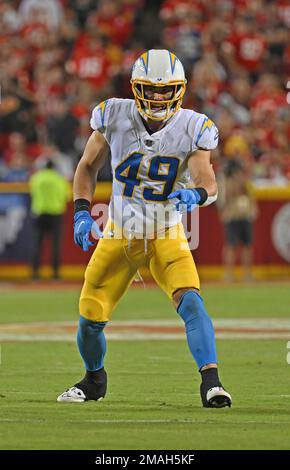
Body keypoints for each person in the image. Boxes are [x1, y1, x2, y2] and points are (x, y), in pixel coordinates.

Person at [57, 49, 232, 408]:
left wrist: (196, 194)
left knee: (192, 301)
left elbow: (208, 180)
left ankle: (212, 383)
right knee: (90, 315)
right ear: (137, 89)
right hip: (120, 232)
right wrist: (81, 211)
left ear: (178, 90)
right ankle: (94, 381)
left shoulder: (194, 126)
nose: (157, 97)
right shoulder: (114, 115)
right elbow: (87, 166)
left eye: (164, 90)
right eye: (150, 90)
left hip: (166, 231)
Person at [29, 160, 70, 279]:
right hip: (55, 214)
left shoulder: (36, 178)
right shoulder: (59, 179)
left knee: (37, 245)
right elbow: (66, 196)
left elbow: (33, 193)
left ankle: (35, 274)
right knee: (55, 245)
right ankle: (55, 274)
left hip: (39, 213)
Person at [218, 159, 258, 281]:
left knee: (247, 245)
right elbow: (224, 199)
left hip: (244, 216)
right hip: (232, 216)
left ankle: (247, 273)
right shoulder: (226, 182)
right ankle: (228, 273)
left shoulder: (245, 183)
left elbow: (251, 197)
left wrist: (253, 210)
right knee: (231, 245)